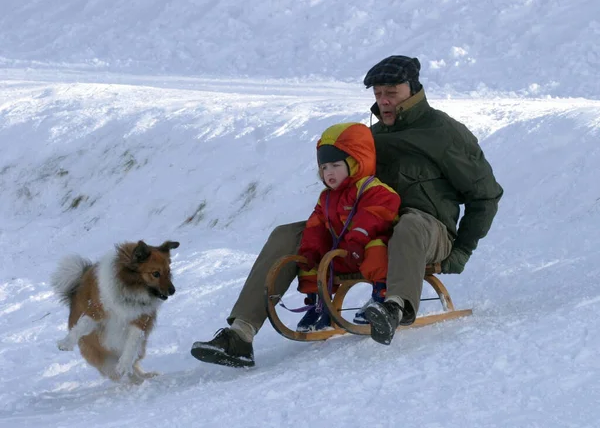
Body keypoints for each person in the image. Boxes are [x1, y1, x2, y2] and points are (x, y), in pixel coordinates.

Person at [191, 55, 503, 367]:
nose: (383, 102)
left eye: (391, 94)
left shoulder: (445, 133)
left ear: (414, 90)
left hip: (426, 230)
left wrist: (461, 250)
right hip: (367, 229)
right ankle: (240, 334)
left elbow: (485, 195)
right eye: (378, 94)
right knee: (288, 234)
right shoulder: (370, 138)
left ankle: (393, 308)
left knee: (409, 224)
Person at [294, 122, 400, 333]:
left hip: (365, 250)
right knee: (310, 262)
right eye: (324, 168)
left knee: (377, 249)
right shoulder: (325, 198)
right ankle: (319, 304)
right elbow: (316, 226)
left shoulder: (372, 188)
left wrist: (358, 239)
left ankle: (381, 299)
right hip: (343, 255)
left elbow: (374, 215)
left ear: (355, 163)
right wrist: (311, 251)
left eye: (336, 165)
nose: (329, 172)